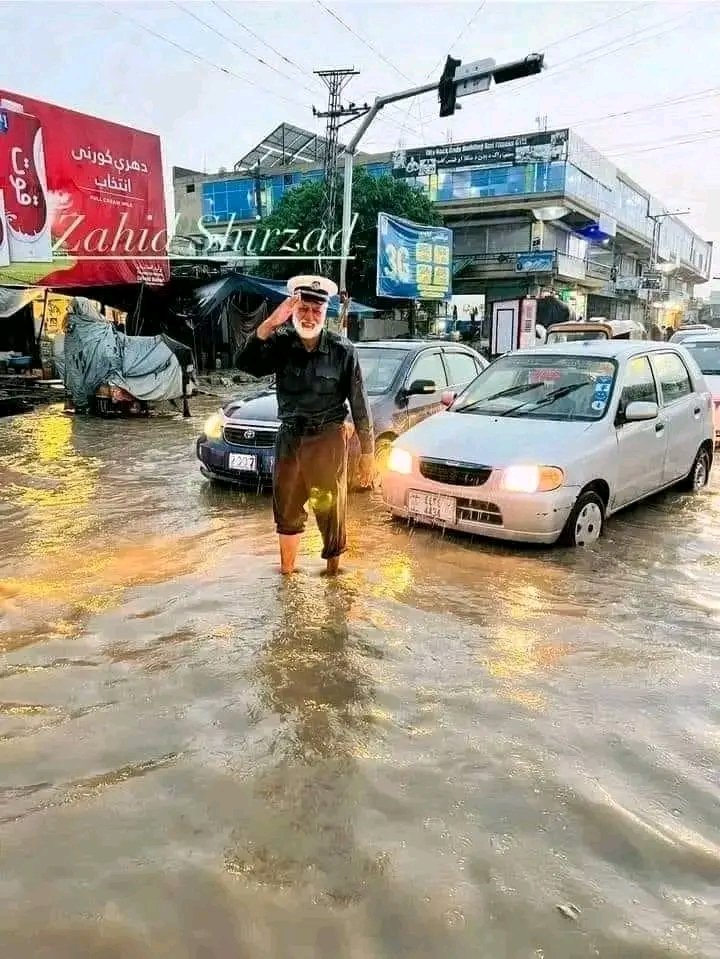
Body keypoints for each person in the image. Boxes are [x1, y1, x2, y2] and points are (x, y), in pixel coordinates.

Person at [236, 275, 374, 577]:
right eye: (303, 310)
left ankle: (333, 576)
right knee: (286, 508)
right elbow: (245, 364)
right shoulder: (281, 344)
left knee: (329, 509)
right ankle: (287, 576)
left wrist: (367, 455)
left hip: (327, 441)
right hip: (289, 439)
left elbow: (360, 405)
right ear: (293, 311)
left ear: (325, 314)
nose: (309, 317)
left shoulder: (343, 350)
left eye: (316, 311)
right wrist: (271, 322)